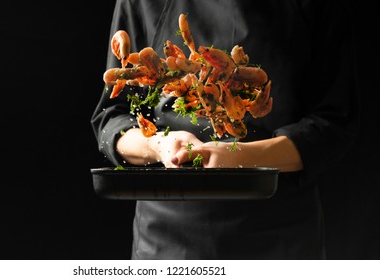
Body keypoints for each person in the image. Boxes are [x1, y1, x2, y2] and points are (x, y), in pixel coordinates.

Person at [91, 0, 359, 259]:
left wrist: (241, 158)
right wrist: (159, 145)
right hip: (169, 241)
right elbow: (111, 118)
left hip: (280, 237)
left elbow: (334, 120)